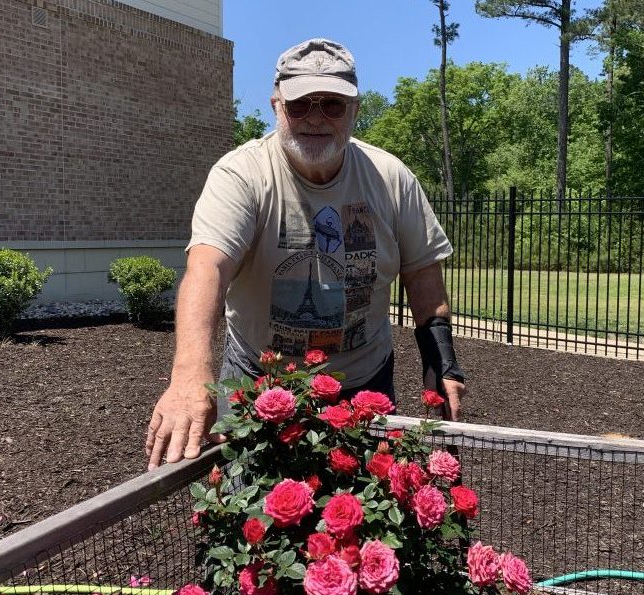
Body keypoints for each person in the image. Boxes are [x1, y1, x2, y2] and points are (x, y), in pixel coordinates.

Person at [146, 38, 466, 470]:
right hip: (260, 379)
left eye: (332, 105)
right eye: (300, 105)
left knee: (364, 518)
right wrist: (188, 377)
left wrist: (440, 364)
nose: (315, 119)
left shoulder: (392, 180)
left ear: (354, 110)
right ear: (276, 105)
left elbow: (426, 290)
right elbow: (207, 268)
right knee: (252, 519)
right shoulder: (241, 175)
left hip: (364, 381)